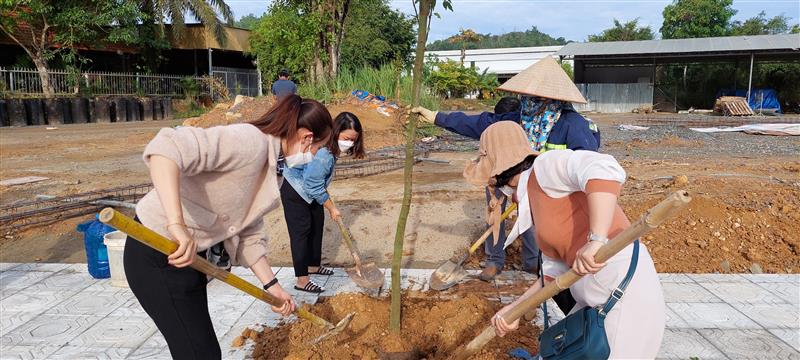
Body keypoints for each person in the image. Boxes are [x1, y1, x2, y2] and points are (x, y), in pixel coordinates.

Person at [123, 94, 332, 360]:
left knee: (200, 350)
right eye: (316, 149)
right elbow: (166, 148)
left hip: (189, 258)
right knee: (200, 353)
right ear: (306, 137)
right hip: (155, 251)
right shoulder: (248, 142)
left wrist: (273, 285)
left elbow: (248, 230)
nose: (312, 157)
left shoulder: (273, 170)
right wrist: (176, 223)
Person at [465, 122, 665, 358]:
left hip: (622, 294)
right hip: (592, 298)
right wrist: (517, 309)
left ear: (499, 172)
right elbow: (553, 274)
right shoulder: (532, 197)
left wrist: (596, 239)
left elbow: (603, 168)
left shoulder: (546, 168)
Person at [280, 111, 366, 293]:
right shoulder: (324, 153)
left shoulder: (330, 148)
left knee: (316, 225)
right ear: (336, 132)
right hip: (295, 190)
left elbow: (316, 183)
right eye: (347, 138)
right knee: (301, 233)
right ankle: (302, 280)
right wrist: (332, 207)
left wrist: (326, 204)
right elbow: (313, 184)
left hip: (309, 190)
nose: (349, 143)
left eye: (353, 140)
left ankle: (313, 265)